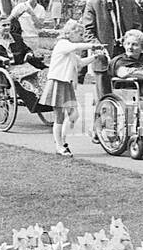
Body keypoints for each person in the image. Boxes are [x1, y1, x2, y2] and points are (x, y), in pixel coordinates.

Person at [80, 0, 143, 96]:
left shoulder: (129, 2)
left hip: (127, 56)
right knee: (104, 98)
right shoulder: (93, 4)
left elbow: (137, 26)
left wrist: (130, 40)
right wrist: (99, 47)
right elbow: (88, 32)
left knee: (127, 96)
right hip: (103, 57)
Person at [41, 19, 101, 156]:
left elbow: (79, 63)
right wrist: (93, 46)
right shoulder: (63, 44)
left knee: (74, 115)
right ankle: (60, 146)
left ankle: (61, 140)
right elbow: (76, 47)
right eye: (80, 34)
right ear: (71, 33)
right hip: (57, 82)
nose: (81, 36)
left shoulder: (70, 50)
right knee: (59, 117)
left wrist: (95, 57)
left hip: (66, 84)